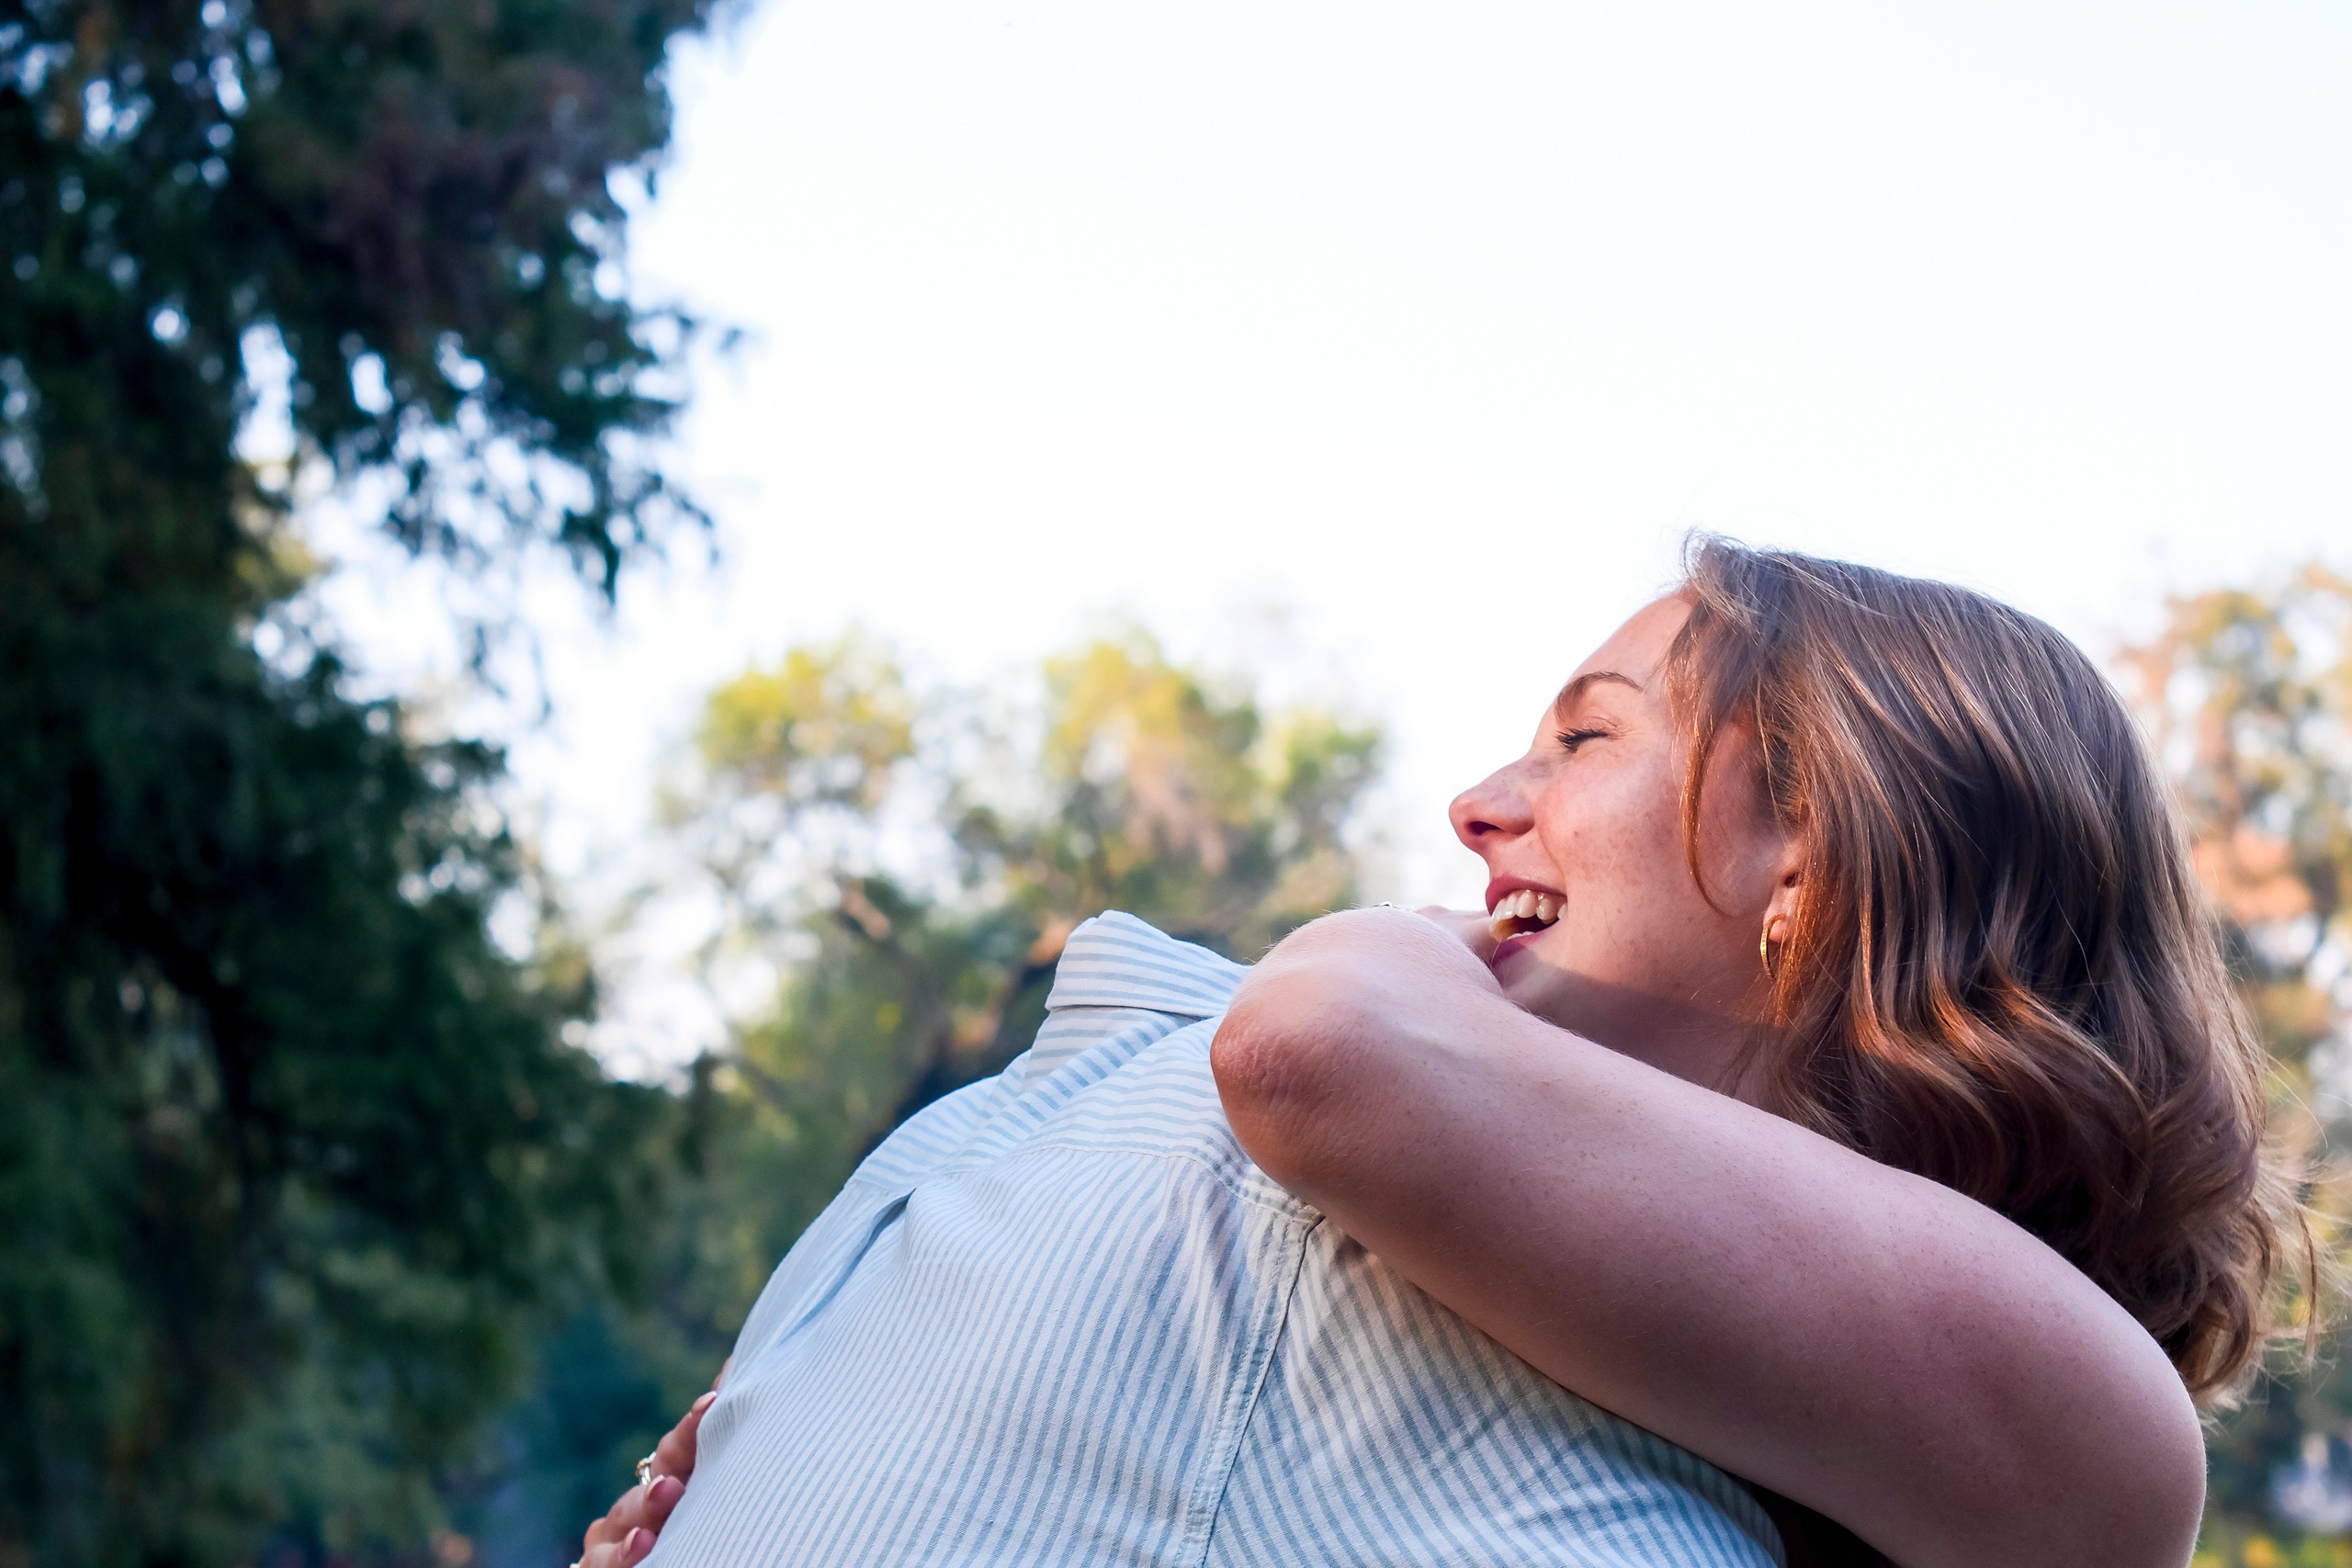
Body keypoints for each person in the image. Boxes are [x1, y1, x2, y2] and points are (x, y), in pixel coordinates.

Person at [578, 541, 2300, 1567]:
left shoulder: (2087, 1425)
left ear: (1816, 854)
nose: (1479, 809)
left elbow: (1318, 1043)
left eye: (1587, 737)